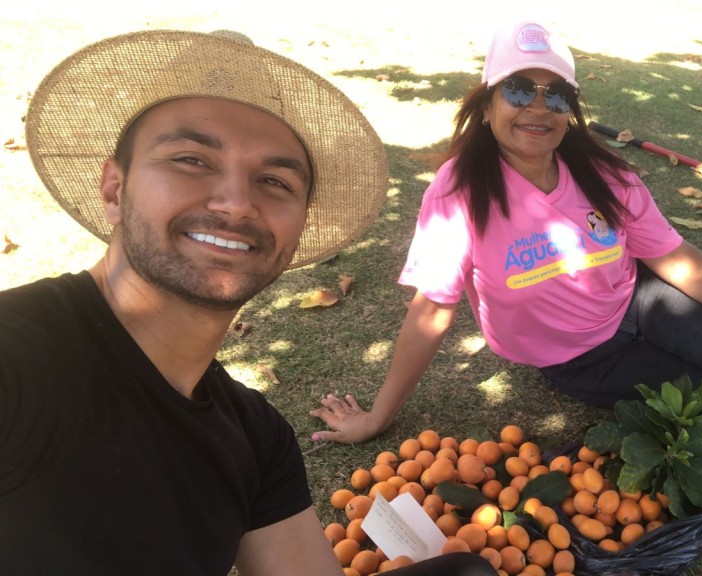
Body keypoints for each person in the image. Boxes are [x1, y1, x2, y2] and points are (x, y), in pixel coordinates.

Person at [0, 29, 495, 576]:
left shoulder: (256, 439)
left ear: (299, 226)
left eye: (274, 181)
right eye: (191, 159)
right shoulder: (18, 360)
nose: (237, 204)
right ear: (115, 190)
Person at [310, 21, 702, 445]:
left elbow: (674, 256)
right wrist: (377, 417)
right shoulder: (459, 188)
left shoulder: (602, 170)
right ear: (488, 97)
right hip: (575, 357)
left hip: (641, 301)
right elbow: (431, 310)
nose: (538, 109)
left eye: (557, 97)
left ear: (571, 108)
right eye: (520, 89)